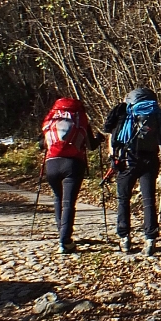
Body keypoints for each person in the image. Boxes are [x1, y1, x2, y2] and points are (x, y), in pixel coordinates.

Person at [103, 86, 161, 256]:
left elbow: (112, 137)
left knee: (123, 199)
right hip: (150, 159)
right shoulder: (156, 112)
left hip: (128, 160)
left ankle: (124, 238)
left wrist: (113, 159)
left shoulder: (124, 111)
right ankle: (150, 239)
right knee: (149, 199)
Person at [41, 96, 96, 255]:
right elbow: (91, 145)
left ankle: (62, 234)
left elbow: (41, 144)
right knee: (68, 203)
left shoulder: (51, 119)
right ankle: (65, 240)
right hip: (73, 164)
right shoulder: (81, 119)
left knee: (58, 198)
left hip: (51, 164)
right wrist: (99, 138)